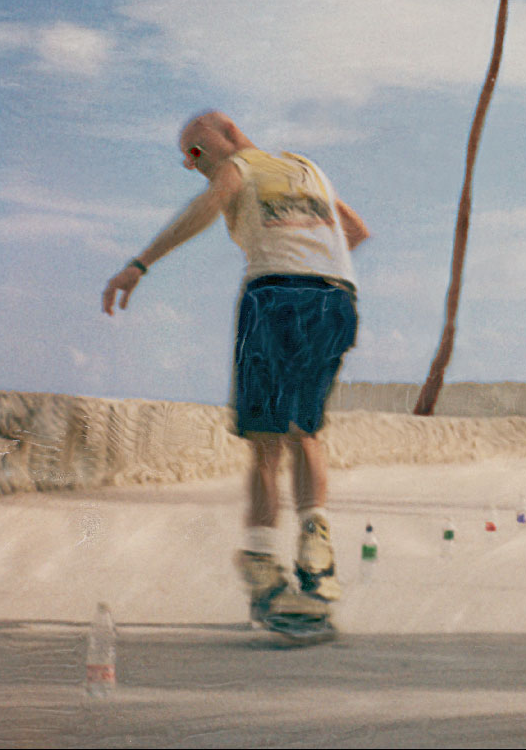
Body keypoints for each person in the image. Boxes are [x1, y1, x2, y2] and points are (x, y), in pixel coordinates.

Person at [101, 111, 369, 626]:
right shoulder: (306, 168)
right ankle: (318, 555)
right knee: (305, 432)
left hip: (275, 296)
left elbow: (211, 202)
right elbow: (354, 230)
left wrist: (139, 265)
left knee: (266, 444)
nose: (189, 162)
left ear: (225, 135)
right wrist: (313, 256)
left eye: (193, 149)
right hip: (335, 297)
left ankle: (264, 564)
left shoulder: (240, 166)